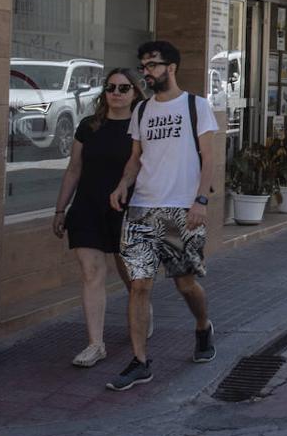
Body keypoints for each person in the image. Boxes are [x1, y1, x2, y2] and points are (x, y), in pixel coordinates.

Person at [106, 41, 218, 392]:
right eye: (144, 66)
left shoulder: (195, 106)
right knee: (139, 285)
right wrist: (123, 185)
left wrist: (199, 201)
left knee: (185, 283)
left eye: (153, 65)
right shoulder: (141, 112)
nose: (147, 71)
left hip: (180, 209)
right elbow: (136, 157)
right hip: (141, 208)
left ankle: (203, 326)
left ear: (171, 67)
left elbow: (209, 158)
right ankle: (140, 361)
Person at [53, 68, 144, 368]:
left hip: (127, 209)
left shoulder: (141, 126)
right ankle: (95, 344)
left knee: (130, 276)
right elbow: (74, 170)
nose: (116, 93)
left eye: (123, 88)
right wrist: (60, 209)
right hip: (88, 207)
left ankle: (145, 313)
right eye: (111, 87)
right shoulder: (88, 126)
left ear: (135, 92)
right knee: (92, 273)